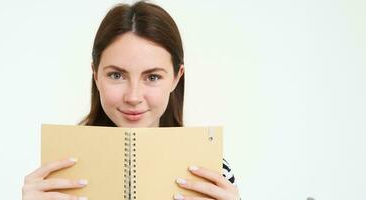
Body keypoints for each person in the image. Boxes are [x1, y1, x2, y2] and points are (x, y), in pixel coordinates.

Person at [22, 1, 240, 200]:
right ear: (95, 74)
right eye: (116, 75)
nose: (133, 97)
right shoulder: (58, 170)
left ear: (176, 77)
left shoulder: (212, 171)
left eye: (153, 77)